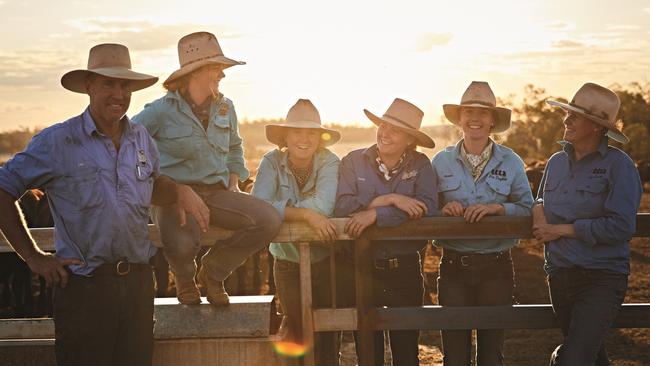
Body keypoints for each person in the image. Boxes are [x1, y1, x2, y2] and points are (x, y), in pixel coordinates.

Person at [0, 43, 208, 366]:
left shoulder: (141, 140)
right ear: (88, 86)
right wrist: (33, 257)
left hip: (138, 286)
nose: (118, 93)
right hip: (85, 290)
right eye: (108, 83)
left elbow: (151, 186)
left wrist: (179, 191)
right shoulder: (59, 142)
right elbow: (3, 189)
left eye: (125, 85)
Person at [132, 31, 282, 306]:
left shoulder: (226, 107)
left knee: (268, 220)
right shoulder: (159, 112)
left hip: (217, 192)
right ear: (196, 72)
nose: (222, 75)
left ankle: (213, 273)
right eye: (216, 68)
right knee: (180, 244)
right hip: (175, 195)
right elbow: (129, 143)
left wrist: (235, 182)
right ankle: (185, 278)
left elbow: (235, 148)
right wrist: (156, 182)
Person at [532, 83, 642, 366]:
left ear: (595, 126)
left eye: (575, 116)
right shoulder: (555, 162)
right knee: (590, 357)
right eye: (567, 113)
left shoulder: (620, 166)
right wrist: (539, 216)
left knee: (573, 359)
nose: (566, 119)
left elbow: (621, 226)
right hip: (560, 275)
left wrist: (560, 230)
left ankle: (558, 358)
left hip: (601, 278)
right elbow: (540, 198)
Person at [432, 81, 533, 366]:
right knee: (454, 354)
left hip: (496, 266)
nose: (474, 118)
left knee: (490, 354)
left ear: (492, 121)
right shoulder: (440, 162)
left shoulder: (511, 161)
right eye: (468, 111)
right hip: (453, 265)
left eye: (482, 113)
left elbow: (527, 207)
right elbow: (426, 206)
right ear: (460, 118)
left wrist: (497, 207)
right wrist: (443, 208)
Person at [335, 98, 438, 366]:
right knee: (368, 353)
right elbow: (343, 206)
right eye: (383, 125)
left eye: (395, 129)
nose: (385, 132)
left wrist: (374, 215)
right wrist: (391, 200)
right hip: (361, 266)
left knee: (406, 353)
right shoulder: (353, 161)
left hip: (404, 268)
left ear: (409, 139)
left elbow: (426, 207)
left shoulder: (420, 165)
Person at [251, 99, 342, 364]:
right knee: (295, 327)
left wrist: (285, 211)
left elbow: (325, 204)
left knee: (326, 330)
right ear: (286, 136)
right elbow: (259, 205)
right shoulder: (271, 161)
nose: (304, 138)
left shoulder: (329, 162)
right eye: (297, 132)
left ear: (319, 137)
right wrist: (305, 214)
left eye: (311, 132)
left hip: (324, 259)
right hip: (287, 259)